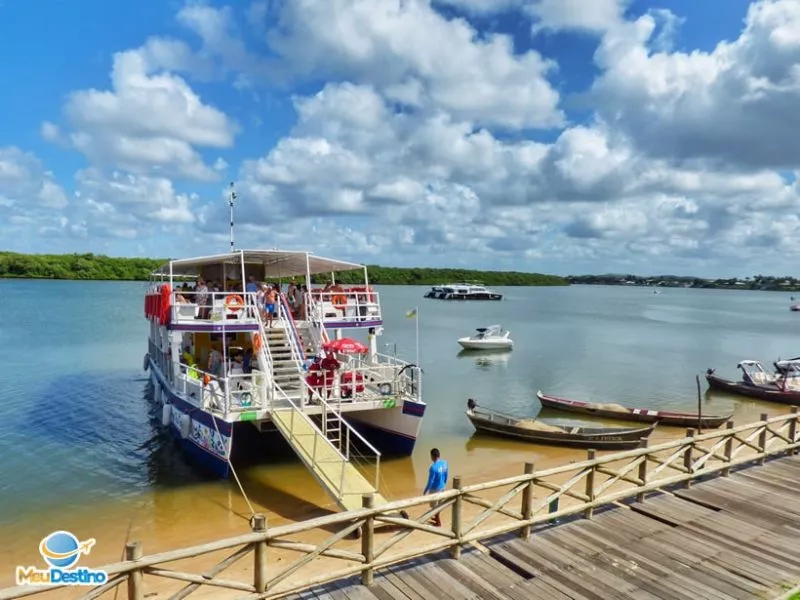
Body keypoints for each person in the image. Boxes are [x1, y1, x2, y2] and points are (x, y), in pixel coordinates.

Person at [423, 448, 448, 527]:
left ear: (432, 456)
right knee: (439, 504)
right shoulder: (444, 463)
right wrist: (444, 483)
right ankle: (437, 517)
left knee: (434, 506)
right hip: (442, 487)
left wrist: (426, 490)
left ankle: (438, 522)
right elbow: (446, 475)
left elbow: (430, 481)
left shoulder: (433, 468)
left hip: (435, 489)